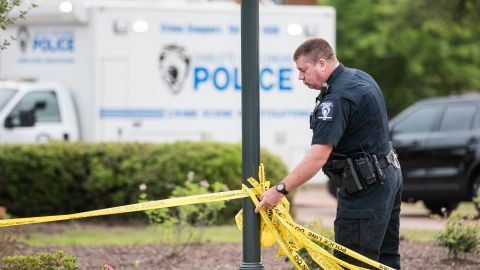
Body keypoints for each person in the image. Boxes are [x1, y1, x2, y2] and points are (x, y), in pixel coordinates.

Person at [255, 37, 403, 269]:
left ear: (321, 63)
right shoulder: (360, 77)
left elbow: (317, 157)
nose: (300, 77)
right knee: (386, 259)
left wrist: (280, 190)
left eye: (303, 70)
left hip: (365, 188)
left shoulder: (336, 98)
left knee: (353, 263)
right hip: (387, 176)